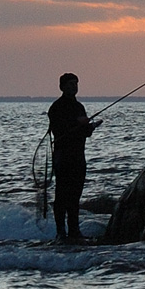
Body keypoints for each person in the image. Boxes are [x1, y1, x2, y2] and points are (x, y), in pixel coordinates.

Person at [47, 72, 101, 243]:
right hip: (63, 156)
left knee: (75, 195)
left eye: (75, 84)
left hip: (78, 156)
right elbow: (59, 130)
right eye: (70, 84)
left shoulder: (79, 107)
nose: (73, 87)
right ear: (62, 87)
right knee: (62, 195)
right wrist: (78, 124)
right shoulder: (56, 107)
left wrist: (89, 127)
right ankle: (60, 232)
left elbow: (84, 132)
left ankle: (74, 231)